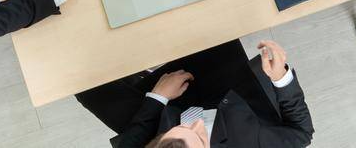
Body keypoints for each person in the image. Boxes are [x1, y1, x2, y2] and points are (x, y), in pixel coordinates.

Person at [75, 40, 313, 148]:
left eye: (194, 134)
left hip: (164, 113)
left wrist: (157, 98)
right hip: (230, 96)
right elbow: (301, 133)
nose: (198, 123)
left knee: (85, 89)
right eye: (196, 135)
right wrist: (281, 78)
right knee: (210, 26)